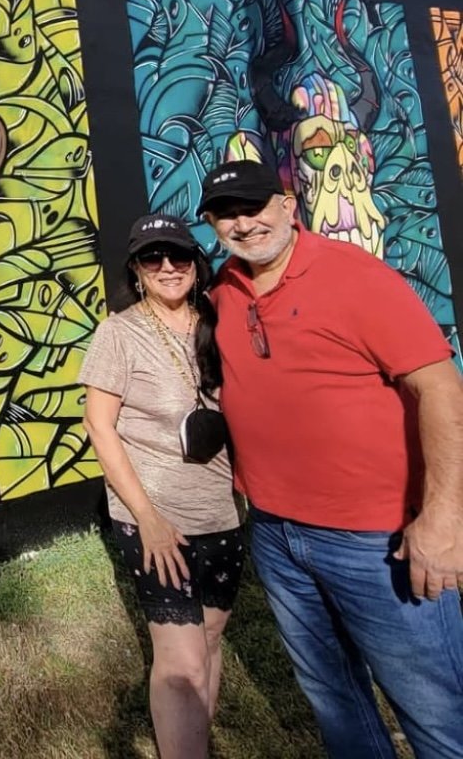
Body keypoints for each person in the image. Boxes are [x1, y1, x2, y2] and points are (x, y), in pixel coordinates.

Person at [197, 159, 463, 759]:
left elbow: (441, 389)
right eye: (227, 214)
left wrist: (445, 518)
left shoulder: (356, 278)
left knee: (436, 711)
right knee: (335, 704)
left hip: (378, 539)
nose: (244, 223)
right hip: (276, 533)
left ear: (288, 205)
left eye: (255, 205)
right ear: (213, 224)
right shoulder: (223, 293)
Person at [80, 214, 242, 759]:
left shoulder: (218, 326)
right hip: (156, 519)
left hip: (222, 513)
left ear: (196, 265)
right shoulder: (119, 332)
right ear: (137, 269)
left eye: (178, 256)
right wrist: (146, 517)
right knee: (181, 662)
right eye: (154, 258)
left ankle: (193, 743)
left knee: (212, 642)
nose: (167, 267)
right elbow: (99, 427)